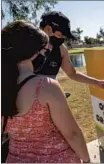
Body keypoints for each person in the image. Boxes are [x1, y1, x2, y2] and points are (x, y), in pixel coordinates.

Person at [2, 20, 90, 163]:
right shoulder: (46, 87)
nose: (46, 55)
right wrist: (86, 160)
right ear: (31, 53)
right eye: (45, 51)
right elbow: (72, 134)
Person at [32, 11, 104, 88]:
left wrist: (97, 82)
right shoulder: (28, 44)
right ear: (48, 29)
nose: (63, 38)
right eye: (60, 35)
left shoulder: (61, 49)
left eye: (65, 36)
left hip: (50, 95)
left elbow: (72, 74)